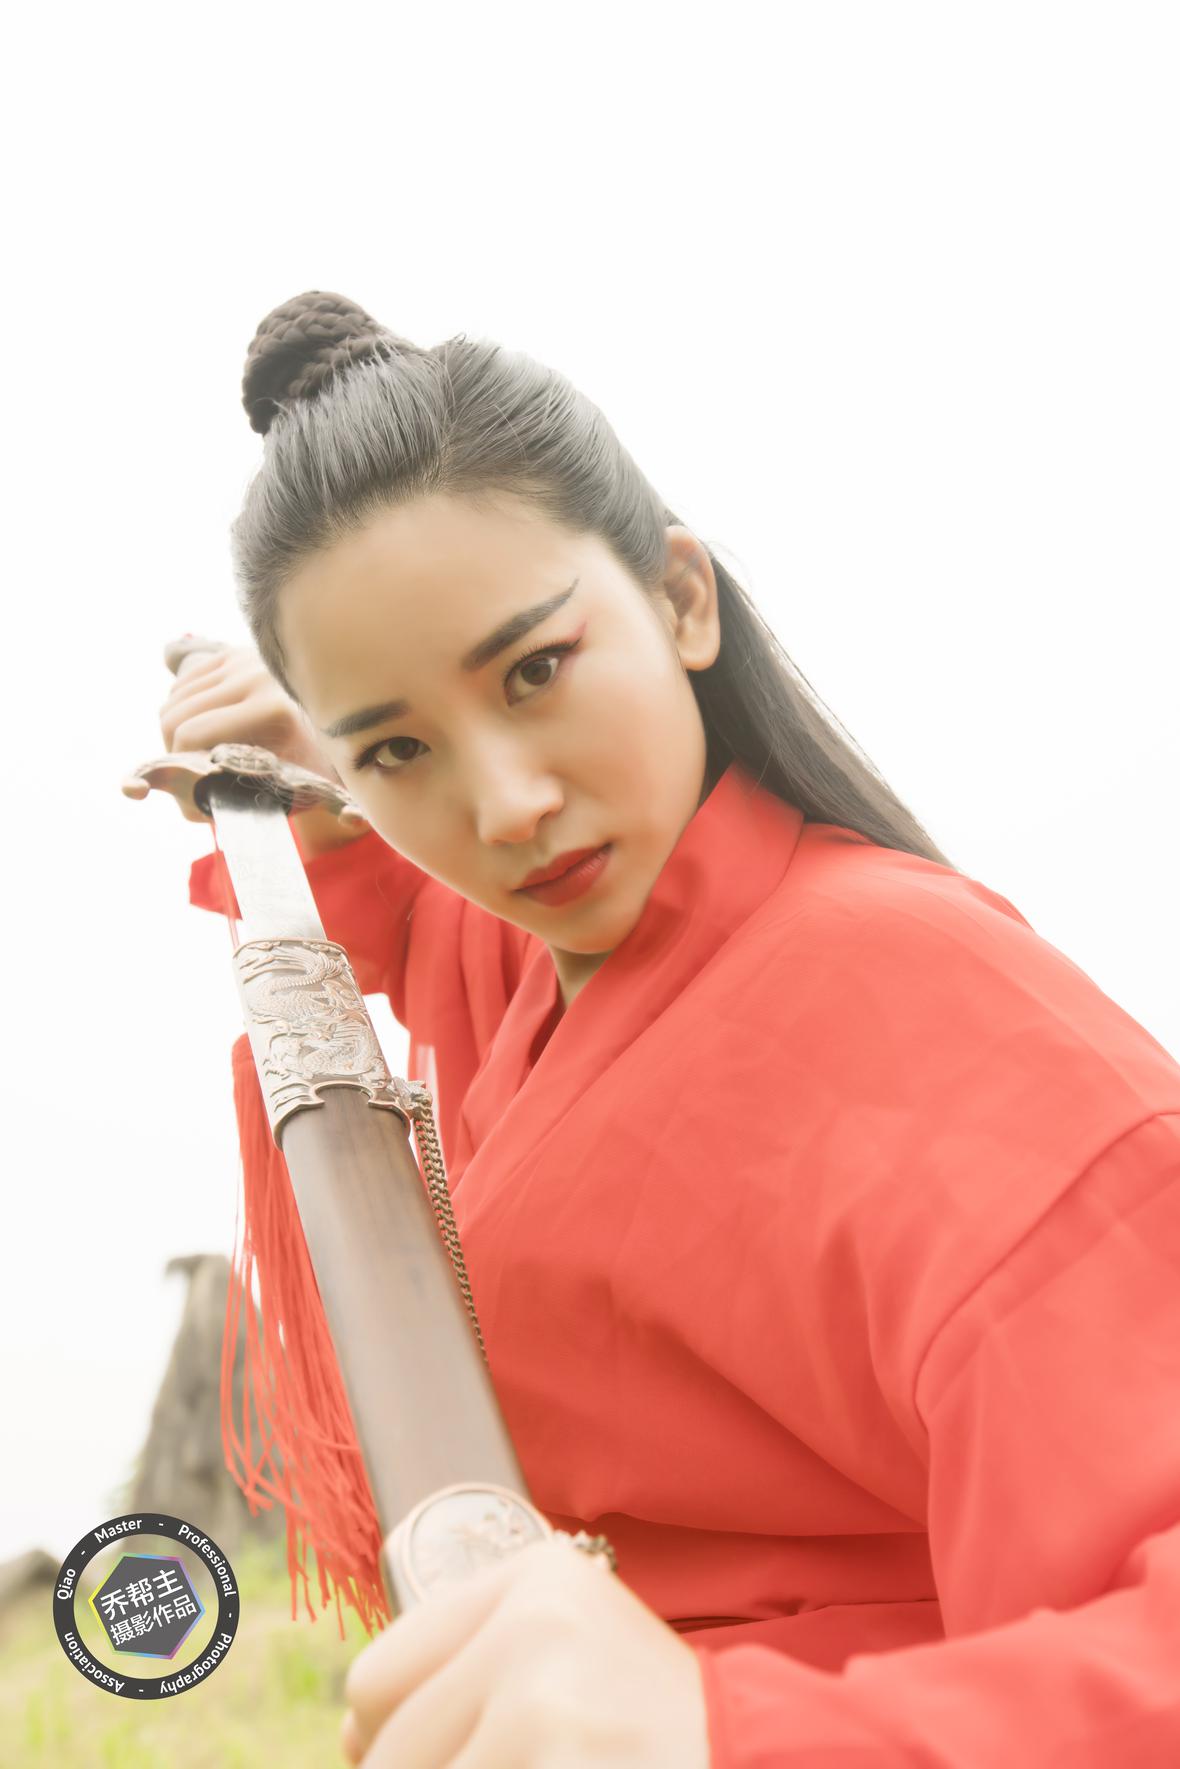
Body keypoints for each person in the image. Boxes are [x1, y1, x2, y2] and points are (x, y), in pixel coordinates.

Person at [161, 291, 1180, 1767]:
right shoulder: (574, 945)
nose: (506, 806)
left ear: (682, 598)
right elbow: (449, 938)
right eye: (400, 747)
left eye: (535, 670)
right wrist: (317, 787)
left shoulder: (929, 1008)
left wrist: (721, 1731)